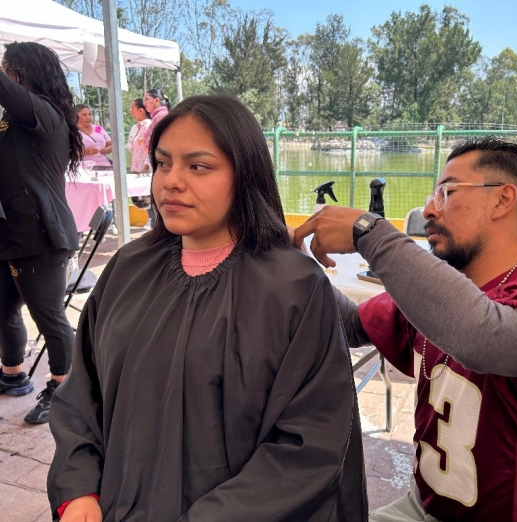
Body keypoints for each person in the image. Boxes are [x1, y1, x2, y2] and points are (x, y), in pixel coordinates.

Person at [47, 95, 367, 522]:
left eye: (198, 166)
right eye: (162, 163)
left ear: (245, 174)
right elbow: (82, 392)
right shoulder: (127, 269)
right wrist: (79, 489)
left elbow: (310, 445)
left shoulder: (294, 289)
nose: (171, 181)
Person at [295, 137, 517, 522]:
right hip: (423, 504)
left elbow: (483, 337)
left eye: (446, 192)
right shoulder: (442, 294)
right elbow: (350, 325)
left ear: (502, 199)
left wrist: (369, 232)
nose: (429, 210)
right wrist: (289, 265)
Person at [0, 42, 82, 424]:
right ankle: (13, 374)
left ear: (25, 71)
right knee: (3, 309)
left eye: (8, 68)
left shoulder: (45, 113)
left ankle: (65, 390)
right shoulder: (14, 120)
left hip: (41, 235)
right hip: (11, 233)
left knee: (49, 317)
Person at [142, 88, 171, 227]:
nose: (144, 103)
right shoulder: (157, 117)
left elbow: (159, 143)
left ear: (157, 100)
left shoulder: (161, 117)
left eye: (147, 99)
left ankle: (158, 226)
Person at [125, 97, 152, 173]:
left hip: (145, 170)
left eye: (132, 108)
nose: (131, 111)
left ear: (141, 111)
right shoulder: (135, 127)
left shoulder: (149, 126)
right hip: (136, 169)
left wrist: (146, 166)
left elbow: (151, 149)